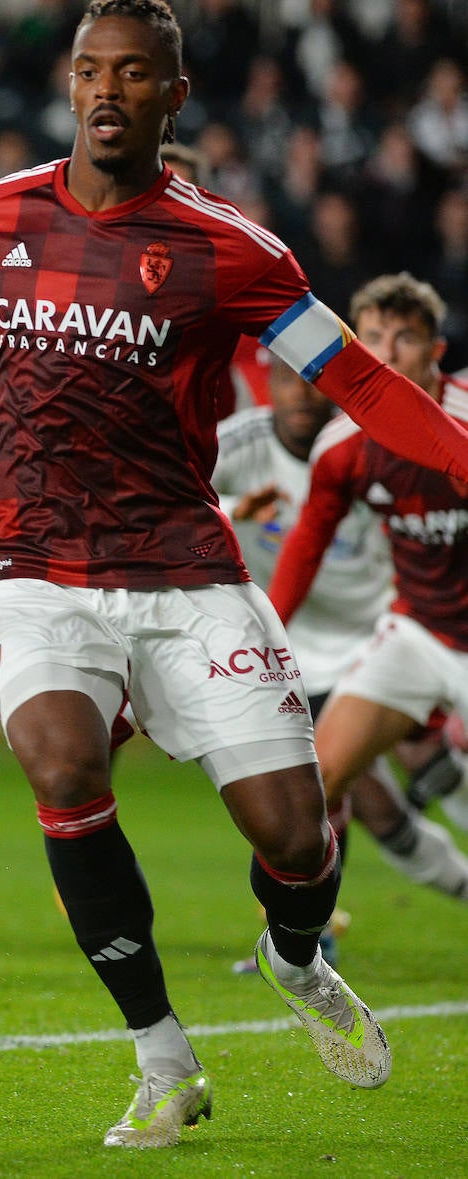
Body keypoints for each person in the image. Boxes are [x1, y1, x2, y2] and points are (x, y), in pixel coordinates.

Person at [0, 0, 468, 1148]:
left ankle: (295, 955)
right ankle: (162, 1058)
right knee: (60, 765)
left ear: (174, 96)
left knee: (297, 838)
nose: (107, 90)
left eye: (135, 73)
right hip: (36, 564)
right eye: (89, 69)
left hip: (185, 570)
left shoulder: (232, 252)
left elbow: (356, 381)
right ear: (67, 86)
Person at [213, 353, 468, 957]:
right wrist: (231, 513)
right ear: (265, 386)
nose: (300, 396)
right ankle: (309, 934)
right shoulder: (237, 446)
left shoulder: (375, 440)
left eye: (311, 383)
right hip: (296, 643)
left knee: (426, 766)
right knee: (341, 797)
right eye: (284, 382)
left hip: (381, 629)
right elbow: (165, 501)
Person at [267, 272, 468, 851]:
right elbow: (305, 545)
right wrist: (269, 638)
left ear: (435, 352)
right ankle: (301, 940)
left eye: (405, 337)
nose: (387, 351)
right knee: (315, 783)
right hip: (418, 632)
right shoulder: (342, 447)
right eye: (373, 336)